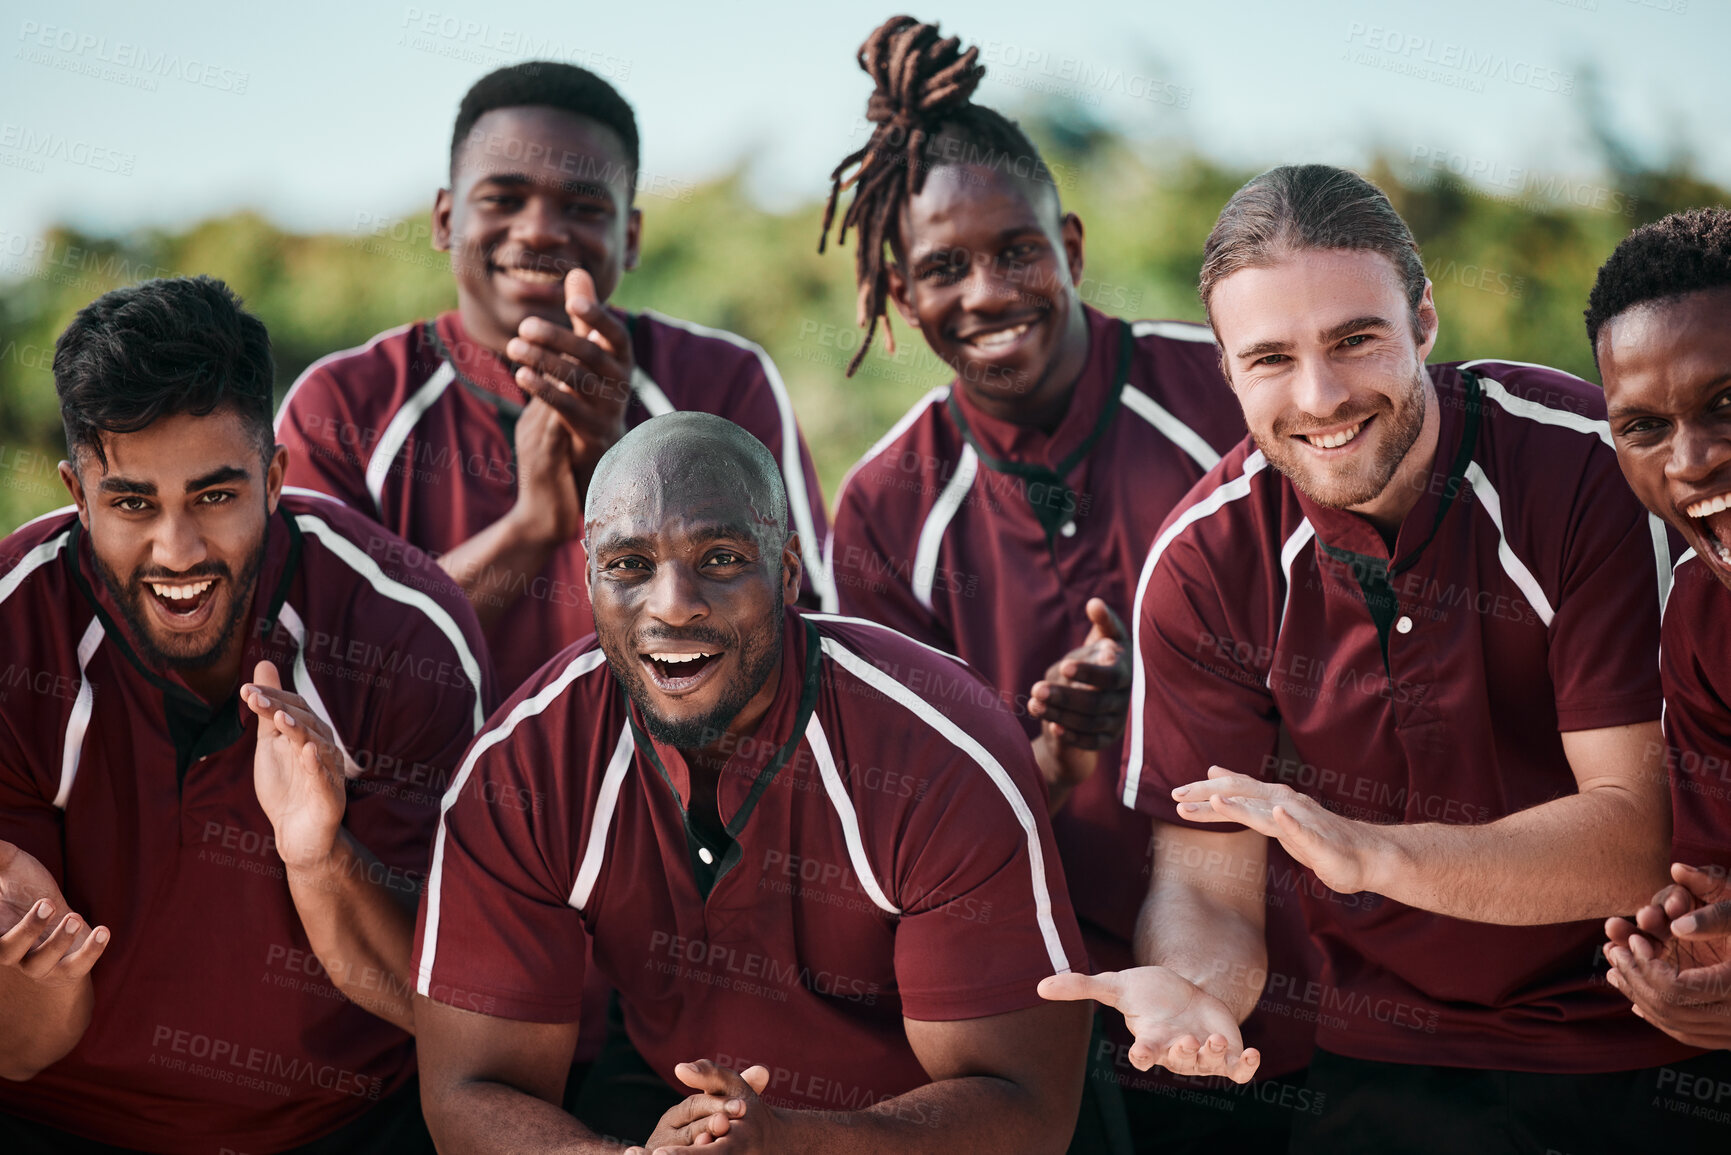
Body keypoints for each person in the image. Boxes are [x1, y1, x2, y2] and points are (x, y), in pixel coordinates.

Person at [1040, 164, 1726, 1151]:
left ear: (1425, 322)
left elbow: (1634, 835)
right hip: (1387, 1057)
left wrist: (1368, 851)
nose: (1321, 397)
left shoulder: (1588, 467)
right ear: (1226, 372)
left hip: (1647, 1036)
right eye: (1270, 358)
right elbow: (1205, 880)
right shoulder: (1202, 563)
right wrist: (1197, 995)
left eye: (1355, 339)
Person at [817, 16, 1314, 1152]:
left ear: (1073, 247)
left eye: (1017, 250)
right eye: (943, 266)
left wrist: (1186, 678)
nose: (987, 292)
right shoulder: (890, 504)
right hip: (1063, 1009)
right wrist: (1057, 749)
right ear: (898, 291)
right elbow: (900, 819)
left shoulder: (1227, 398)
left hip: (1306, 970)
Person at [412, 411, 1090, 1154]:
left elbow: (1026, 1111)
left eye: (722, 557)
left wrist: (785, 1143)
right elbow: (469, 1087)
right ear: (588, 579)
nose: (672, 603)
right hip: (655, 1108)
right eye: (629, 564)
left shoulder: (939, 749)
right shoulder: (523, 763)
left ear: (789, 571)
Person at [0, 276, 491, 1153]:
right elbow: (23, 1049)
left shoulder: (404, 629)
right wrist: (37, 969)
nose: (177, 549)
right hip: (61, 1120)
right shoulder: (12, 630)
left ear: (273, 477)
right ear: (77, 493)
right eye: (131, 503)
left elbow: (460, 1005)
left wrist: (319, 855)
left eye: (215, 496)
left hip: (348, 1123)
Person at [275, 60, 829, 695]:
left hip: (673, 794)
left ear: (630, 236)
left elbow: (808, 636)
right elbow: (323, 674)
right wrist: (531, 526)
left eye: (584, 206)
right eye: (503, 199)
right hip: (426, 794)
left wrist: (625, 472)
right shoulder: (342, 401)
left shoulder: (724, 379)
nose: (539, 228)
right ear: (444, 220)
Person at [1591, 207, 1731, 1065]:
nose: (1689, 461)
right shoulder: (1700, 614)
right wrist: (1698, 951)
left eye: (1727, 402)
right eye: (1642, 427)